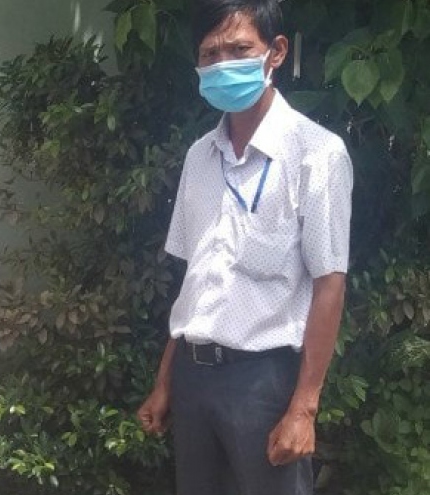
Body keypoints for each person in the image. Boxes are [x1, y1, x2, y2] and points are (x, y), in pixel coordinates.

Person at [136, 1, 353, 494]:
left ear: (276, 52)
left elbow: (329, 285)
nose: (222, 65)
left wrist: (304, 409)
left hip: (263, 382)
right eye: (209, 54)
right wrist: (166, 379)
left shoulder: (316, 154)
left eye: (238, 50)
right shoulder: (199, 157)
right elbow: (194, 280)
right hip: (194, 378)